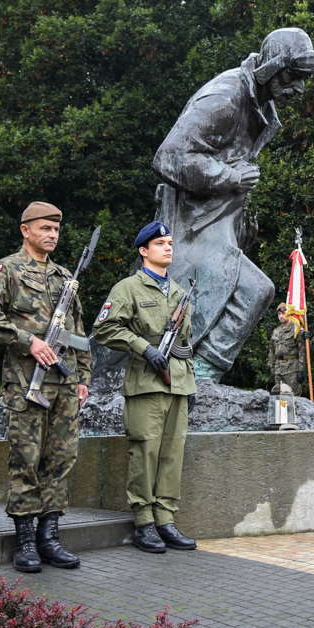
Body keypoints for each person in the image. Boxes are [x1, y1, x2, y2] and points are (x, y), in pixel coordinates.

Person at [152, 28, 314, 382]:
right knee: (250, 291)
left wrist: (243, 222)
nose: (299, 89)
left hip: (217, 224)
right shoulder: (226, 97)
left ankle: (202, 376)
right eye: (294, 77)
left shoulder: (260, 103)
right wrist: (229, 178)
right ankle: (199, 374)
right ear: (272, 68)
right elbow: (169, 157)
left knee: (255, 291)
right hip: (190, 226)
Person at [0, 202, 91, 573]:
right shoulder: (5, 269)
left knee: (62, 460)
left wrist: (83, 377)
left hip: (65, 385)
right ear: (26, 230)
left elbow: (78, 333)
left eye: (56, 230)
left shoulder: (64, 276)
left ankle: (49, 538)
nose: (52, 235)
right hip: (26, 383)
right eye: (44, 229)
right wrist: (28, 341)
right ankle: (25, 542)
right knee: (26, 460)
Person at [91, 221, 198, 554]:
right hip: (145, 384)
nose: (168, 247)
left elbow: (186, 342)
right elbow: (105, 329)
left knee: (171, 455)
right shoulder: (128, 288)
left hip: (177, 383)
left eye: (170, 243)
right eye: (160, 243)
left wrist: (190, 383)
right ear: (143, 251)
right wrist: (143, 348)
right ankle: (144, 523)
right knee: (146, 453)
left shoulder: (180, 292)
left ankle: (166, 520)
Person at [268, 303, 307, 396]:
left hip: (292, 370)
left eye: (284, 313)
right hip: (278, 370)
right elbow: (272, 351)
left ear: (289, 313)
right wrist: (272, 371)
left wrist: (301, 370)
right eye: (279, 314)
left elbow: (302, 351)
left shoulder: (296, 329)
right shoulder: (276, 331)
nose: (281, 316)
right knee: (279, 398)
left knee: (294, 398)